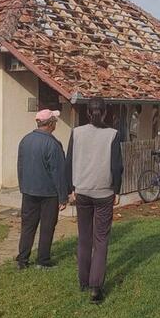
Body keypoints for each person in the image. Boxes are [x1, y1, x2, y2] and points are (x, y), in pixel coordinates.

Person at [66, 98, 124, 304]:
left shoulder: (77, 132)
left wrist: (70, 189)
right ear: (105, 113)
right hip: (104, 192)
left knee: (84, 238)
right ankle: (95, 287)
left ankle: (83, 280)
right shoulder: (113, 134)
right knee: (100, 241)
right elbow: (117, 166)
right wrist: (117, 190)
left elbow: (69, 160)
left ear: (88, 113)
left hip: (81, 190)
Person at [16, 109, 68, 270]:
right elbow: (58, 172)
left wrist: (23, 186)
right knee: (47, 226)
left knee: (28, 226)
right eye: (55, 122)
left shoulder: (25, 140)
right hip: (48, 193)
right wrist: (63, 197)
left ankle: (22, 260)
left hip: (29, 191)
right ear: (51, 123)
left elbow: (20, 166)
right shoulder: (53, 144)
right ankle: (42, 260)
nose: (56, 125)